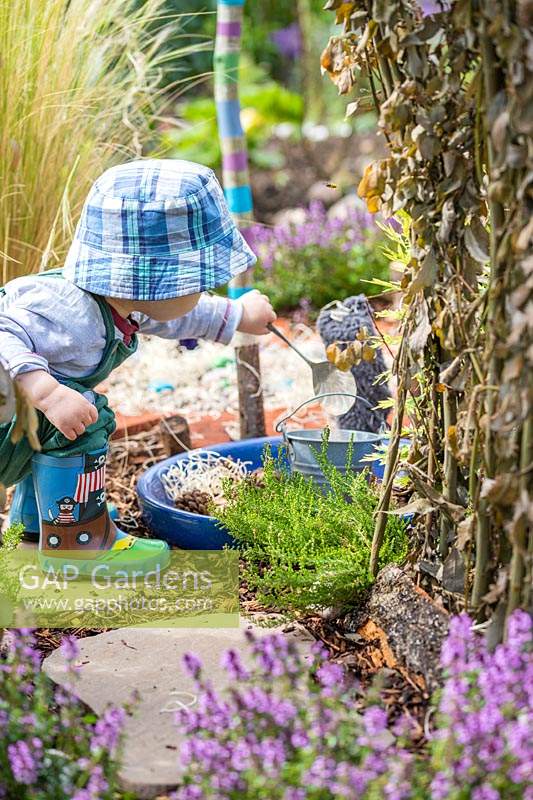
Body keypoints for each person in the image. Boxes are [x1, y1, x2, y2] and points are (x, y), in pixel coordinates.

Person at [0, 159, 275, 573]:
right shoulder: (72, 313)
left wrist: (235, 315)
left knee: (69, 420)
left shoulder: (127, 302)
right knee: (85, 418)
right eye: (195, 283)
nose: (200, 291)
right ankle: (79, 546)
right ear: (148, 280)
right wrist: (46, 391)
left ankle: (38, 527)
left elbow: (177, 315)